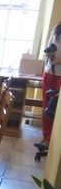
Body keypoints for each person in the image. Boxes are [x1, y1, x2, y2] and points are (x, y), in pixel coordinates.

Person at [36, 21, 61, 150]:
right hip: (49, 72)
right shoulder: (57, 28)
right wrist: (49, 55)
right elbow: (49, 47)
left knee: (56, 110)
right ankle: (46, 138)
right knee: (47, 108)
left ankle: (53, 141)